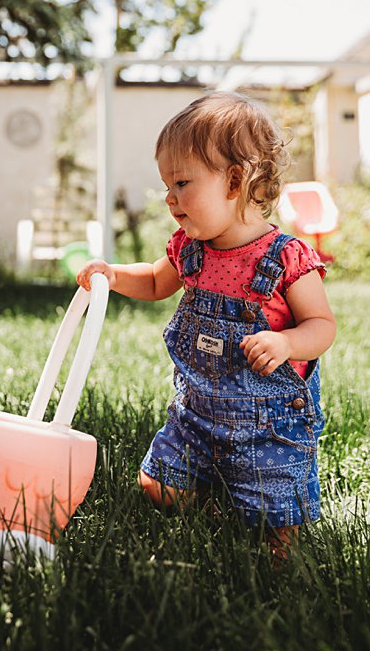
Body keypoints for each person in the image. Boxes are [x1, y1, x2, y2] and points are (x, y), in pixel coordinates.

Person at [77, 91, 336, 552]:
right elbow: (157, 282)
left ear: (234, 182)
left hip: (268, 424)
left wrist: (287, 343)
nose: (169, 198)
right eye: (167, 185)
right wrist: (114, 275)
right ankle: (219, 506)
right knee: (158, 486)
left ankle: (265, 529)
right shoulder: (190, 247)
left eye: (181, 184)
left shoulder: (285, 257)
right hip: (197, 414)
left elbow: (322, 325)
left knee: (277, 528)